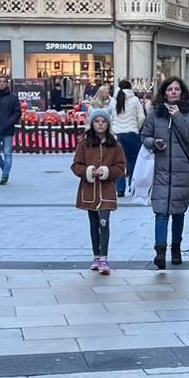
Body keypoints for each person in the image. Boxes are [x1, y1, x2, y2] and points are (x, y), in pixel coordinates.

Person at [138, 74, 189, 270]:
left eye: (177, 89)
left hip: (183, 173)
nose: (173, 92)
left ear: (182, 93)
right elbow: (144, 136)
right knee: (161, 212)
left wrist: (177, 116)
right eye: (170, 89)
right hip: (160, 171)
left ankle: (176, 248)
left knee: (178, 212)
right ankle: (160, 252)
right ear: (164, 93)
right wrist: (153, 142)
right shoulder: (154, 115)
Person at [71, 106, 126, 275]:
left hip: (107, 190)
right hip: (89, 190)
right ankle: (96, 255)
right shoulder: (84, 143)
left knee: (104, 222)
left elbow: (121, 167)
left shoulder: (115, 145)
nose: (100, 124)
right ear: (92, 123)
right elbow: (76, 165)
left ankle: (104, 257)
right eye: (97, 121)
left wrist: (106, 171)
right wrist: (88, 171)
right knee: (93, 223)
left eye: (103, 121)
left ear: (108, 124)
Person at [111, 79, 146, 198]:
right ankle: (132, 186)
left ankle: (120, 189)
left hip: (117, 134)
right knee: (134, 161)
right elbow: (141, 117)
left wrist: (113, 129)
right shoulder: (135, 100)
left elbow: (110, 117)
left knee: (119, 162)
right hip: (132, 133)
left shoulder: (113, 100)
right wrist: (136, 127)